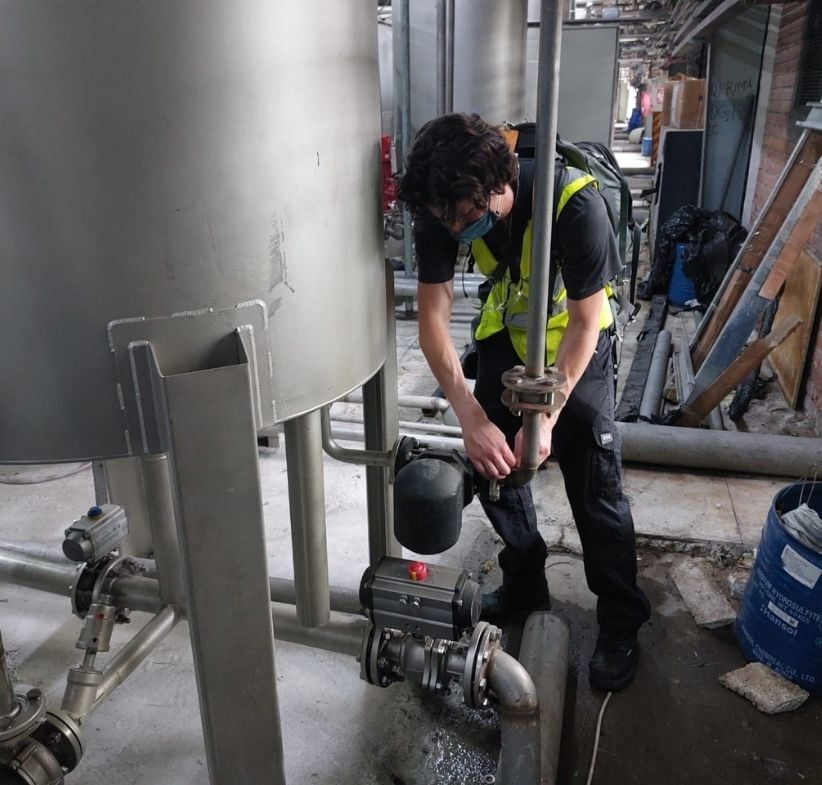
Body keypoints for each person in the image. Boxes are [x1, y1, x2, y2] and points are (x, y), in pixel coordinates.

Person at [396, 113, 651, 692]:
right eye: (445, 218)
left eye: (465, 216)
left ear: (499, 184)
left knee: (595, 486)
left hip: (574, 350)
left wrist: (549, 416)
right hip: (507, 336)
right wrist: (471, 415)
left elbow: (587, 321)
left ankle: (619, 620)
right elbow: (432, 323)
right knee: (495, 470)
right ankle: (525, 582)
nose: (456, 227)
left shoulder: (575, 205)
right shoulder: (443, 207)